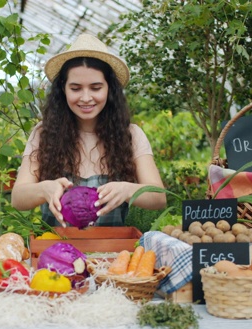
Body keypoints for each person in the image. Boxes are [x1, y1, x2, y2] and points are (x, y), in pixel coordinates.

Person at [11, 34, 166, 227]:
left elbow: (159, 198)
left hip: (113, 253)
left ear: (110, 89)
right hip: (56, 249)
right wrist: (45, 189)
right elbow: (18, 199)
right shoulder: (44, 133)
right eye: (76, 88)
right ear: (63, 89)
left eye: (95, 88)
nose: (86, 98)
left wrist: (128, 190)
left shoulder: (130, 135)